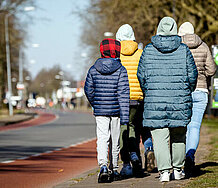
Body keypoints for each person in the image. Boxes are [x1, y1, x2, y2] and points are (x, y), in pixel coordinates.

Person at [137, 17, 198, 182]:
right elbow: (193, 76)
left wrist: (149, 91)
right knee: (179, 134)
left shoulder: (148, 50)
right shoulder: (184, 50)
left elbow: (141, 76)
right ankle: (178, 169)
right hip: (179, 100)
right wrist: (186, 90)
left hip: (155, 100)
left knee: (159, 135)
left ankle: (164, 171)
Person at [84, 38, 130, 183]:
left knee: (102, 138)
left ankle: (103, 166)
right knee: (115, 140)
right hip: (116, 110)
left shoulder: (93, 69)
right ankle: (114, 168)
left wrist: (95, 103)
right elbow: (123, 94)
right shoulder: (121, 69)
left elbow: (88, 89)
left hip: (100, 111)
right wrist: (125, 116)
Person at [116, 24, 155, 177]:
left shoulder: (117, 55)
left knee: (126, 130)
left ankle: (130, 161)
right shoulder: (141, 53)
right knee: (141, 128)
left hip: (123, 98)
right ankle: (147, 151)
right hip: (140, 97)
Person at [178, 22, 217, 177]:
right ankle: (190, 156)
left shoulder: (178, 47)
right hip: (200, 90)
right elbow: (212, 69)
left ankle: (179, 160)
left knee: (182, 127)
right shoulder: (203, 46)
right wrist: (202, 73)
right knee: (194, 127)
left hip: (183, 91)